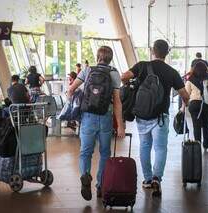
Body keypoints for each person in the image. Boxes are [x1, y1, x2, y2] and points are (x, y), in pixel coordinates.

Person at [121, 39, 189, 197]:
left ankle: (147, 179)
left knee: (145, 146)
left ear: (153, 51)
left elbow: (124, 76)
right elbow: (184, 95)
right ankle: (157, 178)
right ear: (167, 53)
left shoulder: (142, 66)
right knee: (160, 148)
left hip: (142, 115)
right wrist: (184, 106)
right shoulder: (171, 72)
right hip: (161, 117)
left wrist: (130, 85)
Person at [68, 46, 125, 201]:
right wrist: (120, 125)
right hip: (105, 117)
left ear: (97, 57)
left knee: (85, 152)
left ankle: (85, 175)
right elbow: (117, 102)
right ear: (110, 59)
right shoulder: (114, 73)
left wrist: (71, 103)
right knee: (105, 153)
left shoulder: (87, 70)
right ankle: (101, 185)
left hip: (88, 117)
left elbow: (71, 89)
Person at [184, 61, 208, 150]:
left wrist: (183, 107)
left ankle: (197, 146)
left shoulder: (190, 79)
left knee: (196, 126)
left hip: (195, 105)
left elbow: (186, 94)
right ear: (206, 69)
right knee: (206, 124)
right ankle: (206, 144)